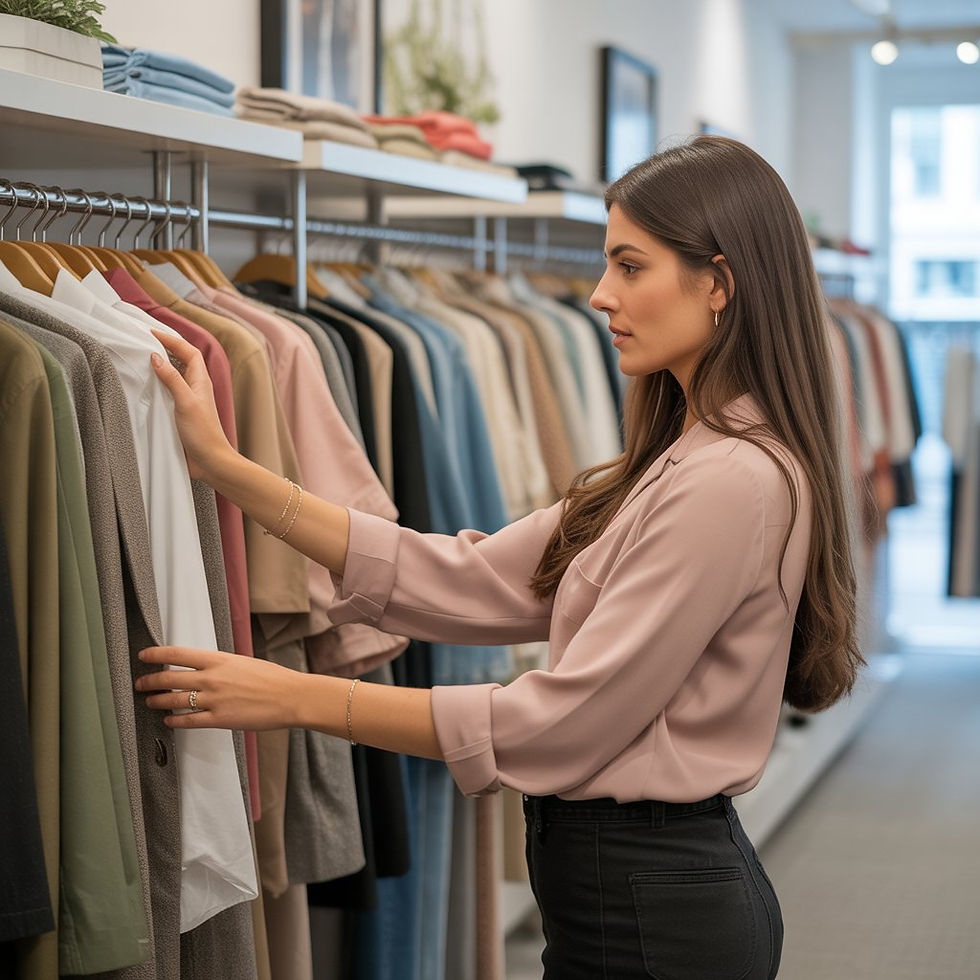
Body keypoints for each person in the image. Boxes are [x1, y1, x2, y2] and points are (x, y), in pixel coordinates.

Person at [136, 135, 863, 979]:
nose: (598, 295)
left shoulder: (730, 479)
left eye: (630, 267)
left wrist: (296, 696)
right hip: (623, 896)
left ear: (719, 283)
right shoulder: (682, 459)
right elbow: (467, 577)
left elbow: (560, 723)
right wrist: (230, 472)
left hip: (658, 915)